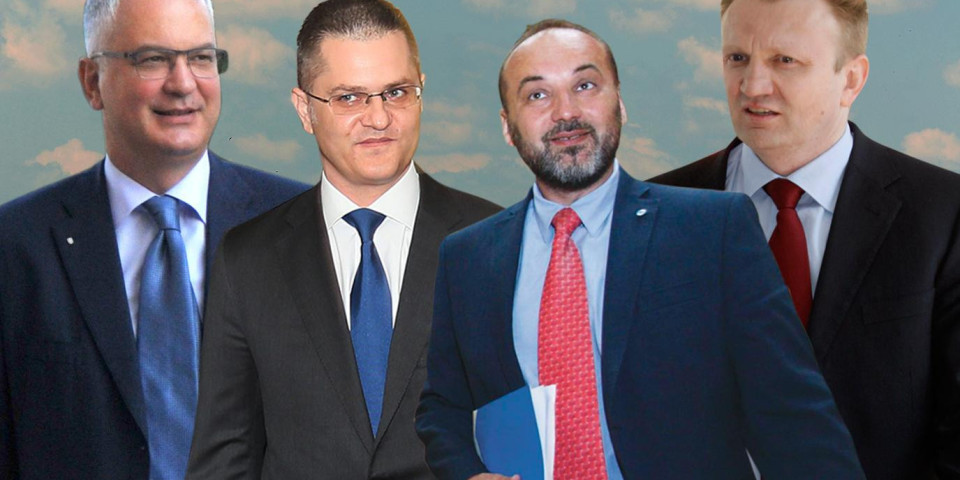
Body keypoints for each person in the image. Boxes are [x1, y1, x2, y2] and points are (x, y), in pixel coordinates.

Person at [416, 19, 866, 480]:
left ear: (620, 104)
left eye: (585, 85)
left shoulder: (712, 229)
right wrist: (468, 474)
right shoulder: (467, 257)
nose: (566, 112)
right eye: (537, 95)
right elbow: (442, 407)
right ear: (507, 127)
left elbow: (794, 415)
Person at [185, 0, 500, 478]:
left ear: (421, 93)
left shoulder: (493, 244)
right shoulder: (247, 260)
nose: (378, 118)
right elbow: (224, 462)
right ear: (304, 109)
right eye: (349, 97)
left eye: (396, 92)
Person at [649, 0, 960, 477]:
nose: (752, 86)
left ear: (851, 79)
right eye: (737, 58)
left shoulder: (944, 213)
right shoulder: (652, 214)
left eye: (785, 60)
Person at [0, 0, 308, 478]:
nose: (183, 83)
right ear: (92, 82)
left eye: (201, 58)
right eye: (153, 59)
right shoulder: (15, 246)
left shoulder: (304, 229)